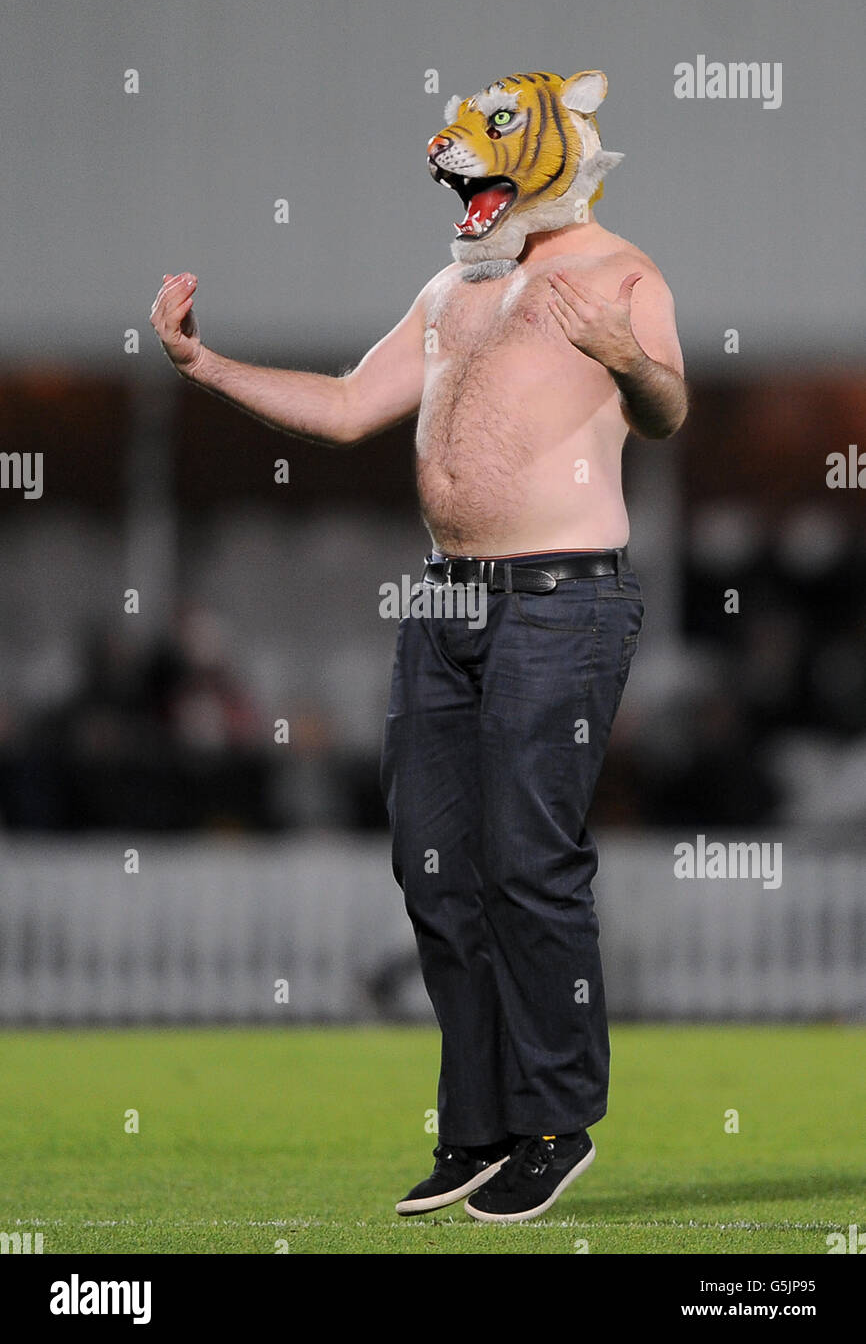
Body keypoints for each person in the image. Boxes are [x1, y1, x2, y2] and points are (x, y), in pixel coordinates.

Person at [150, 68, 686, 1224]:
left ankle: (557, 1120)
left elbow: (666, 408)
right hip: (443, 607)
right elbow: (348, 406)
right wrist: (205, 366)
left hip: (559, 602)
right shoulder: (454, 282)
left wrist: (629, 355)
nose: (456, 183)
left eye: (488, 160)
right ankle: (480, 1127)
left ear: (549, 158)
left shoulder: (613, 274)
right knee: (433, 867)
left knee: (528, 862)